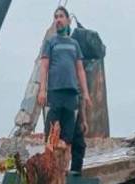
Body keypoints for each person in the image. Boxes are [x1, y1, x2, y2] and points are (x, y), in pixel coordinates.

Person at [38, 6, 92, 150]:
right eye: (56, 17)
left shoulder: (74, 44)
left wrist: (86, 93)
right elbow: (44, 66)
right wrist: (42, 90)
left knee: (68, 130)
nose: (58, 20)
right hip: (55, 89)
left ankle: (63, 159)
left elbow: (80, 70)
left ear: (68, 20)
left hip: (71, 91)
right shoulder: (50, 42)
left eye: (61, 16)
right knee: (52, 128)